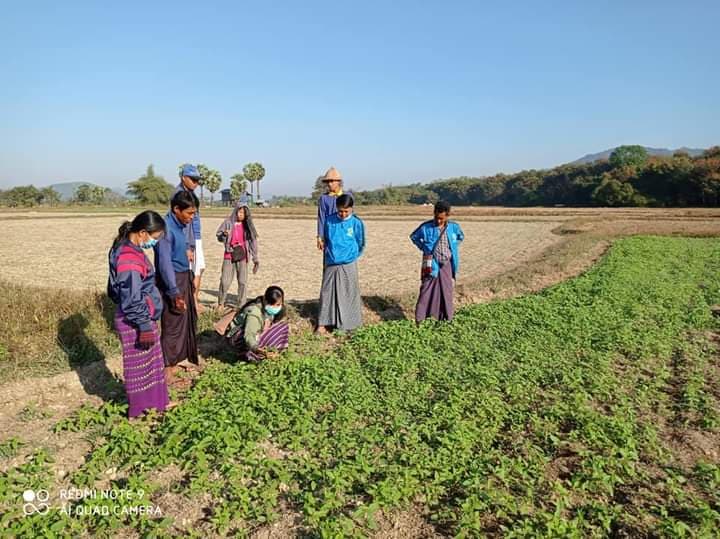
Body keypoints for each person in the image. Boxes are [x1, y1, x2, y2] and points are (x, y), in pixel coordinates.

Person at [107, 211, 170, 418]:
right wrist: (144, 325)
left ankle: (156, 406)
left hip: (141, 317)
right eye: (154, 237)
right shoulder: (128, 259)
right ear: (142, 233)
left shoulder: (131, 249)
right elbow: (132, 297)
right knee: (140, 371)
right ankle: (142, 411)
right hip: (135, 321)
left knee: (151, 366)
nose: (155, 242)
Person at [154, 190, 200, 386]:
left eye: (194, 213)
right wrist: (174, 293)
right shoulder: (166, 230)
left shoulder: (179, 227)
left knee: (184, 321)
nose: (192, 217)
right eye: (189, 213)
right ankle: (166, 371)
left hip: (182, 277)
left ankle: (178, 360)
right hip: (172, 281)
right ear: (176, 209)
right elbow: (165, 264)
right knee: (172, 325)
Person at [317, 194, 365, 334]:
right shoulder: (329, 221)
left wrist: (351, 256)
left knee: (349, 293)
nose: (343, 214)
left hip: (349, 263)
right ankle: (323, 323)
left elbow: (361, 242)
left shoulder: (356, 223)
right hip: (332, 262)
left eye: (346, 211)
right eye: (340, 211)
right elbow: (326, 239)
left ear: (351, 209)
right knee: (327, 292)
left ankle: (348, 325)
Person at [410, 201, 465, 323]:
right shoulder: (426, 227)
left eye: (441, 218)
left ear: (447, 215)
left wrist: (453, 247)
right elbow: (414, 237)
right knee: (426, 290)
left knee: (446, 291)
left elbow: (461, 237)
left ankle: (446, 319)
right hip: (430, 262)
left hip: (447, 263)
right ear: (434, 213)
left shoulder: (453, 227)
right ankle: (421, 320)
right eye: (436, 217)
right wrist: (424, 248)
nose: (438, 221)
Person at [214, 286, 289, 362]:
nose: (276, 307)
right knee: (254, 344)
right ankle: (248, 355)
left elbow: (275, 320)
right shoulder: (254, 313)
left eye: (278, 304)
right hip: (238, 338)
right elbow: (249, 335)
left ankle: (274, 350)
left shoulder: (275, 308)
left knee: (282, 327)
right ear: (265, 300)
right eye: (273, 305)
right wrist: (257, 349)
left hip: (256, 331)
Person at [216, 202, 260, 310]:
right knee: (225, 281)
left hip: (243, 256)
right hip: (229, 254)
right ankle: (221, 303)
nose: (241, 215)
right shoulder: (227, 223)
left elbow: (253, 242)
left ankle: (241, 305)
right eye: (239, 212)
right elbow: (219, 236)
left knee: (242, 281)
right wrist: (224, 235)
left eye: (243, 213)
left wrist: (255, 258)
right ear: (235, 211)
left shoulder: (248, 226)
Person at [175, 163, 206, 313]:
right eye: (193, 179)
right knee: (188, 271)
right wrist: (186, 245)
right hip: (187, 238)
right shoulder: (179, 196)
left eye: (197, 180)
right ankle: (188, 301)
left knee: (199, 268)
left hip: (195, 235)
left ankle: (194, 299)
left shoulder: (191, 194)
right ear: (183, 178)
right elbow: (179, 223)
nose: (196, 183)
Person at [316, 166, 350, 252]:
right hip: (329, 234)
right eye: (328, 181)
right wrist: (320, 236)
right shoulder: (324, 198)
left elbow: (351, 216)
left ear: (338, 182)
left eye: (332, 181)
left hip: (344, 233)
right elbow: (321, 218)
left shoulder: (348, 196)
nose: (329, 184)